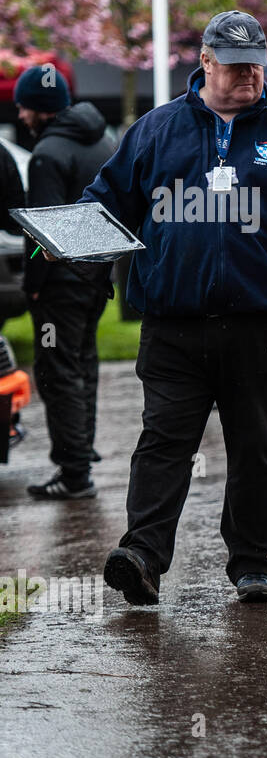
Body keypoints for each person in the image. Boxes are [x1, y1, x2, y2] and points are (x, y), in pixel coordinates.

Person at [84, 10, 267, 606]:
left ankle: (253, 562)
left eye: (255, 68)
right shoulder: (155, 131)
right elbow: (105, 201)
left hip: (265, 320)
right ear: (203, 62)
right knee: (162, 442)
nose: (247, 79)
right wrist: (71, 242)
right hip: (173, 322)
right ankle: (143, 556)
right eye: (234, 68)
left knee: (257, 444)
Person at [11, 65, 116, 498]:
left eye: (23, 106)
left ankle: (73, 473)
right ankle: (82, 453)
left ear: (40, 108)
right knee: (83, 366)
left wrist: (33, 284)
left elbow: (42, 230)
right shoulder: (103, 139)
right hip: (96, 275)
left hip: (59, 284)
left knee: (56, 372)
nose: (19, 115)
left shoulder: (48, 153)